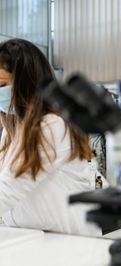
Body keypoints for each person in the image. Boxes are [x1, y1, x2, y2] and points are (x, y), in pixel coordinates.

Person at [0, 38, 100, 235]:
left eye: (1, 84)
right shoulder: (12, 128)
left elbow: (10, 188)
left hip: (68, 242)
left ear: (27, 83)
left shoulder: (52, 125)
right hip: (33, 237)